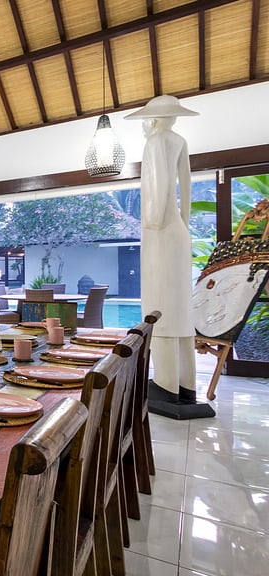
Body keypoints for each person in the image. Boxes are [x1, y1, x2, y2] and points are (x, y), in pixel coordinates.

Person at [126, 94, 213, 419]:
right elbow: (184, 189)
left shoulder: (158, 140)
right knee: (177, 310)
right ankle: (185, 386)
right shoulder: (179, 140)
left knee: (159, 309)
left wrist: (152, 223)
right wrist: (182, 224)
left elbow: (158, 188)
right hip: (178, 228)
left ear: (155, 120)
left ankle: (164, 384)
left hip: (160, 227)